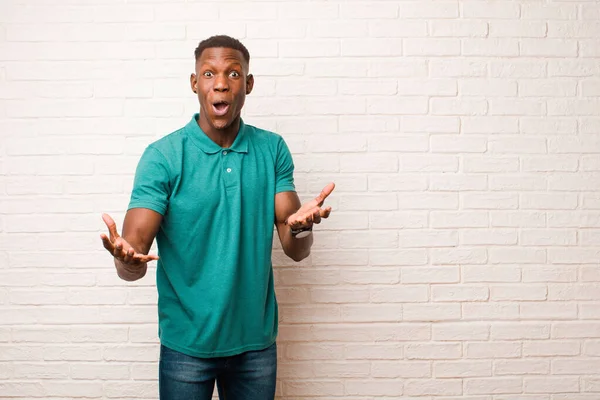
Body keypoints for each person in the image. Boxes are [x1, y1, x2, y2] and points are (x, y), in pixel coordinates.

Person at [99, 35, 335, 400]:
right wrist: (124, 259)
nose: (221, 82)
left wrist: (301, 230)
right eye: (209, 73)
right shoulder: (163, 156)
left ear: (248, 84)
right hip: (186, 347)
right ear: (195, 84)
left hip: (255, 345)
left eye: (233, 73)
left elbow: (295, 249)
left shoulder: (272, 149)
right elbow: (134, 258)